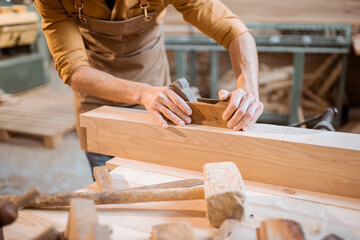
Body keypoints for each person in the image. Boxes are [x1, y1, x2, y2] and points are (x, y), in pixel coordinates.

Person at [34, 0, 264, 171]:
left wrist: (249, 89)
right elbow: (73, 70)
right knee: (109, 177)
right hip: (96, 92)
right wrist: (142, 93)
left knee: (159, 172)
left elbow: (232, 30)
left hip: (154, 84)